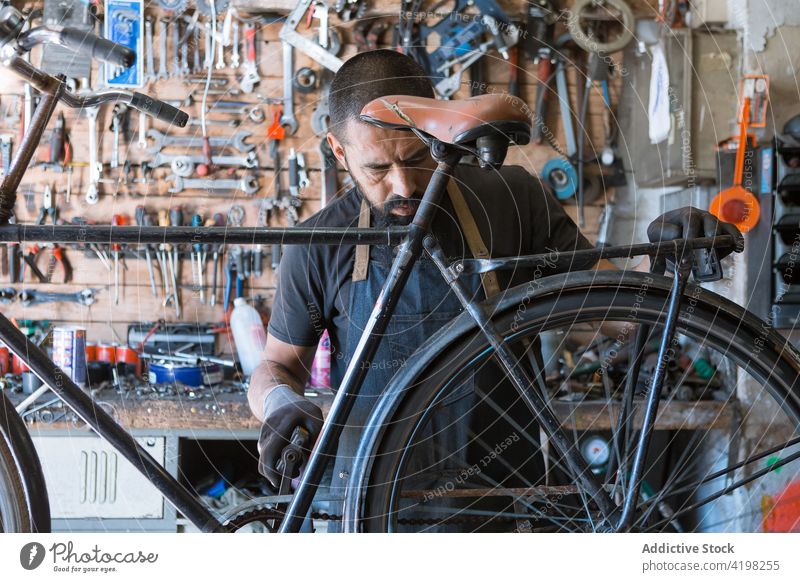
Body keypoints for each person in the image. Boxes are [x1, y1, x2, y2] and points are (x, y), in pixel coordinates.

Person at [248, 49, 743, 530]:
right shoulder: (318, 243)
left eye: (418, 156)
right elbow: (277, 367)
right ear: (338, 151)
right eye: (377, 169)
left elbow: (616, 309)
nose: (402, 186)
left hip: (503, 504)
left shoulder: (513, 198)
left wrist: (662, 263)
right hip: (367, 503)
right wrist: (278, 404)